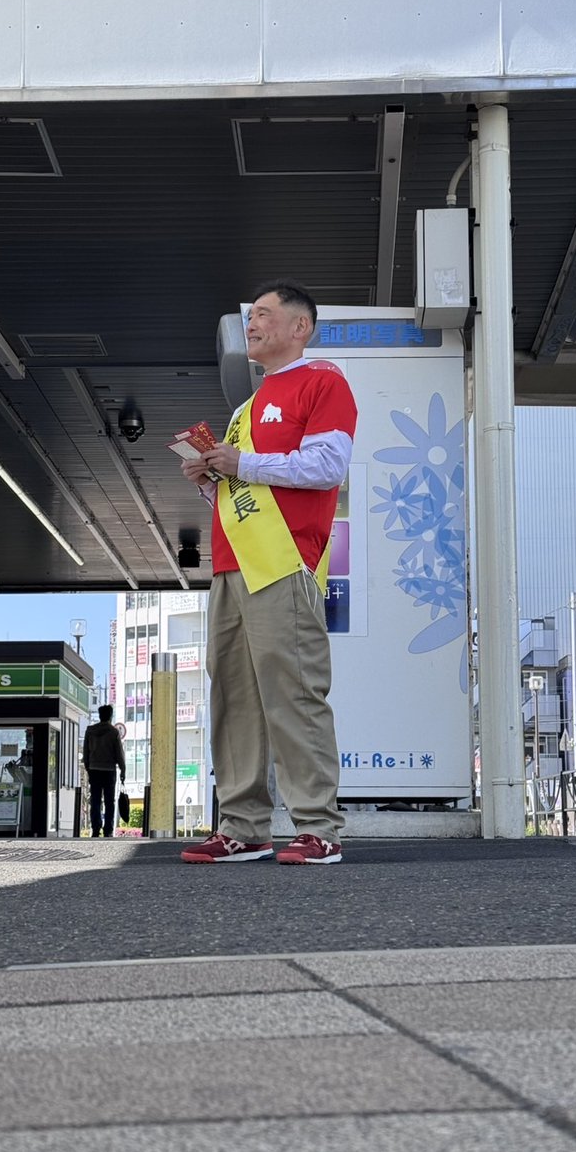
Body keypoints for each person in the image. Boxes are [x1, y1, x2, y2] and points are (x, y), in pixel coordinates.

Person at [180, 279, 357, 865]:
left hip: (283, 562)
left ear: (298, 327)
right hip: (232, 565)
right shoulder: (245, 410)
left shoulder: (323, 381)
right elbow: (248, 491)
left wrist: (242, 462)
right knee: (234, 696)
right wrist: (215, 480)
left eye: (262, 314)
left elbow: (328, 466)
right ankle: (244, 825)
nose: (250, 324)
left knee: (293, 690)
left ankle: (319, 828)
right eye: (250, 316)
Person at [82, 704, 127, 838]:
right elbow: (119, 754)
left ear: (100, 715)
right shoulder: (113, 732)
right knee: (109, 802)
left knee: (95, 801)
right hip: (109, 771)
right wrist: (123, 770)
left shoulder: (90, 731)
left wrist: (88, 768)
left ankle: (96, 828)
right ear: (110, 716)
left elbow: (86, 752)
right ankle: (108, 829)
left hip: (94, 769)